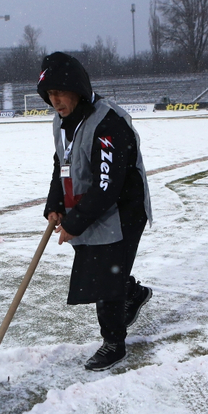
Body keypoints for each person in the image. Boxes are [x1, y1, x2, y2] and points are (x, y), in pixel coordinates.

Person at [37, 52, 153, 371]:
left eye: (60, 93)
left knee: (103, 279)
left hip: (123, 211)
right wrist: (55, 205)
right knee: (102, 273)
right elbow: (60, 165)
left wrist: (75, 222)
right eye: (50, 95)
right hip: (96, 208)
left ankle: (113, 343)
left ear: (77, 89)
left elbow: (108, 185)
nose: (55, 101)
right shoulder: (62, 122)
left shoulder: (108, 122)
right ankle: (132, 292)